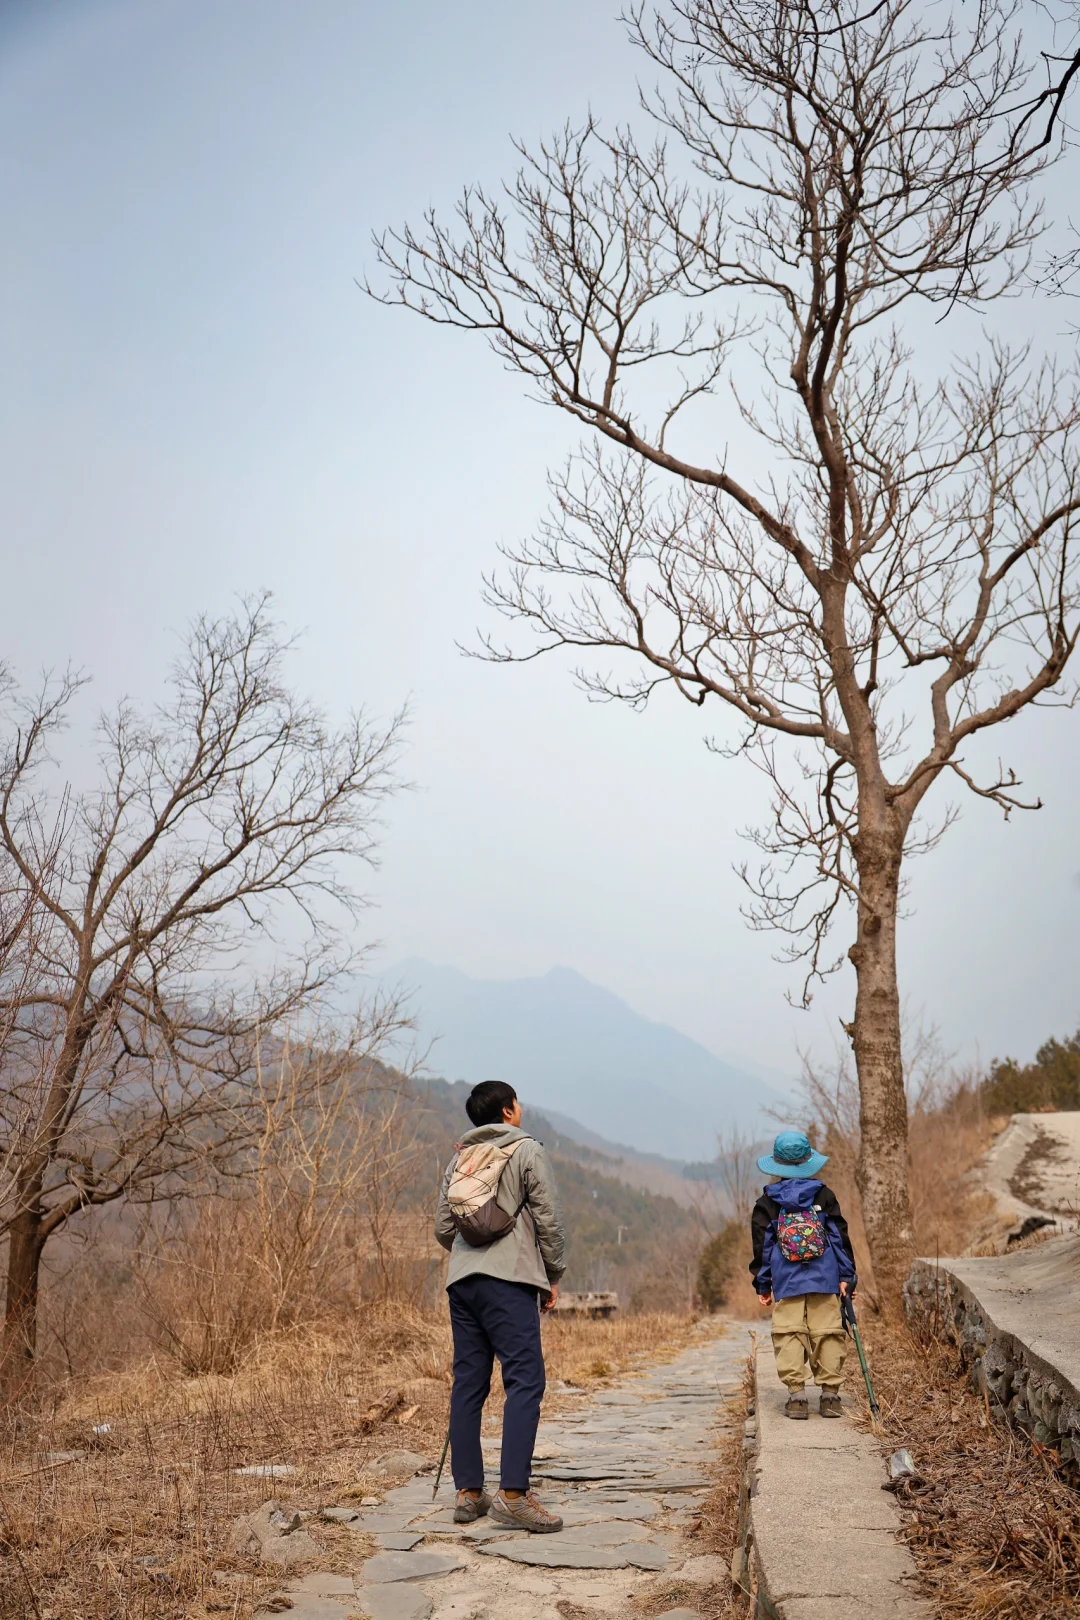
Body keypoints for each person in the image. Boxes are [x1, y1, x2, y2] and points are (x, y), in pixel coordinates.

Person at [434, 1080, 567, 1530]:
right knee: (526, 1379)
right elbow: (547, 1216)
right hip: (509, 1280)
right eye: (518, 1102)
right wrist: (553, 1273)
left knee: (468, 1382)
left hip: (461, 1282)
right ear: (509, 1111)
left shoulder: (460, 1158)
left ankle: (469, 1493)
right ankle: (513, 1494)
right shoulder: (526, 1150)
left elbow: (442, 1229)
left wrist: (475, 1238)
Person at [749, 1129, 857, 1419]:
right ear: (808, 1162)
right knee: (829, 1332)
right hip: (825, 1277)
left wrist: (763, 1285)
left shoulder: (767, 1203)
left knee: (789, 1334)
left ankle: (797, 1398)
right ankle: (831, 1397)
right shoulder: (823, 1195)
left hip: (786, 1281)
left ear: (777, 1165)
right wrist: (848, 1276)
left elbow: (763, 1248)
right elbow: (839, 1238)